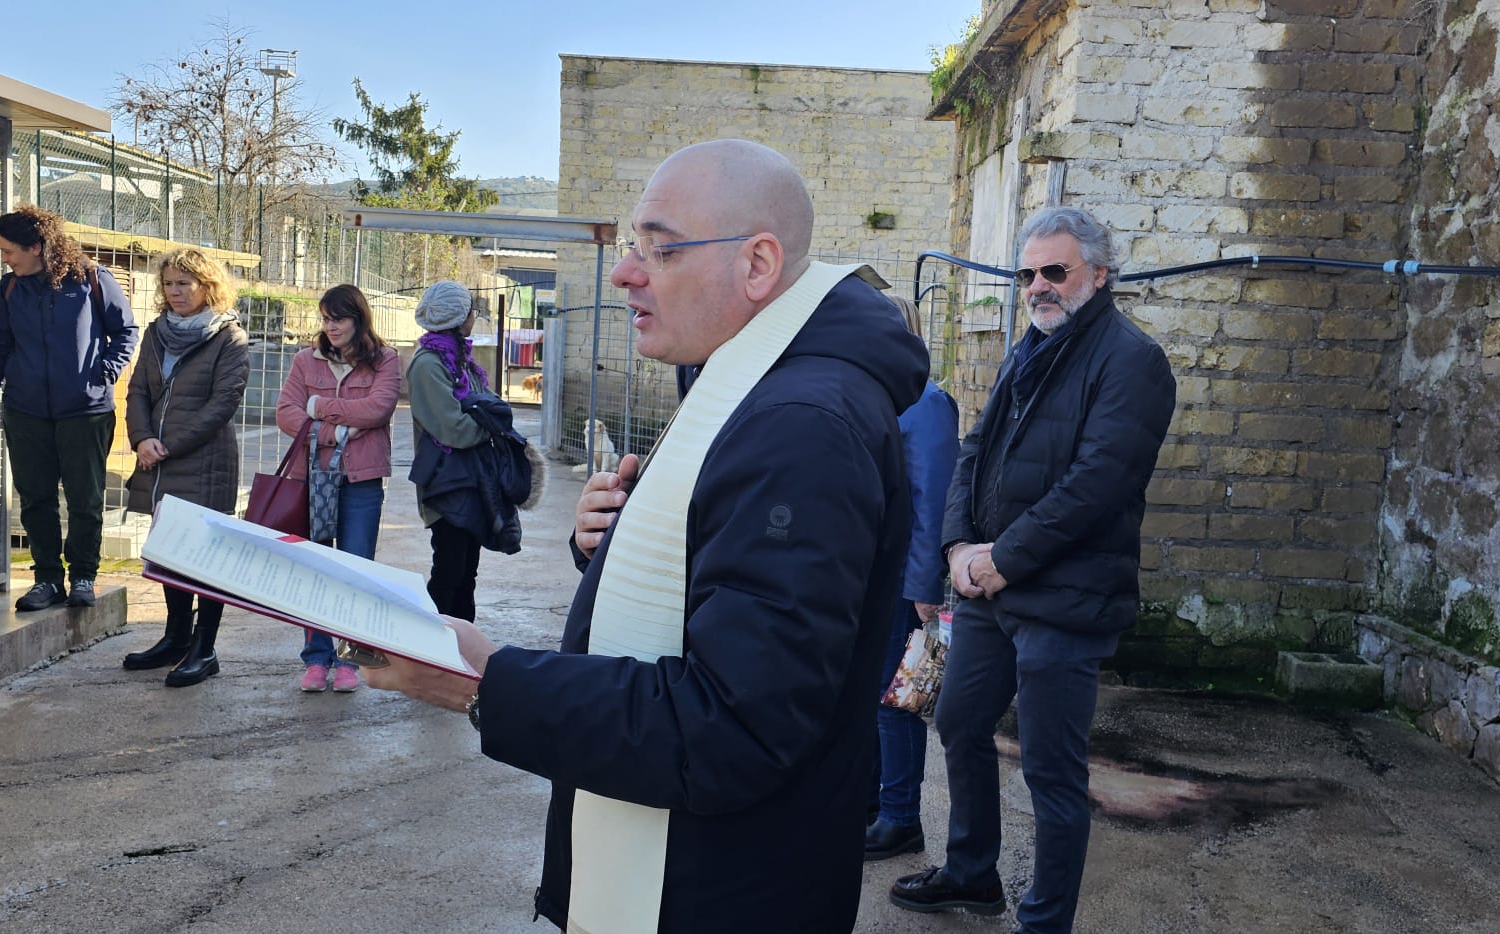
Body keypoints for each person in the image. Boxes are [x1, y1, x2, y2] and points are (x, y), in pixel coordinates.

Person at [364, 139, 928, 932]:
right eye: (633, 245)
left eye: (658, 249)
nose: (628, 272)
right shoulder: (750, 381)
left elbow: (734, 725)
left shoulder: (800, 425)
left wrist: (486, 683)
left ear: (757, 265)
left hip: (721, 889)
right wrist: (619, 548)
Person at [887, 206, 1177, 933]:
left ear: (1099, 275)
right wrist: (958, 550)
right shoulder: (1029, 348)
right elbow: (973, 455)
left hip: (1065, 601)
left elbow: (1096, 486)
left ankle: (1043, 923)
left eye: (1055, 271)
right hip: (989, 588)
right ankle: (972, 873)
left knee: (1051, 772)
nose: (1039, 286)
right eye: (1027, 274)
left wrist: (1000, 562)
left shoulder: (1131, 361)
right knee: (957, 720)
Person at [0, 205, 137, 612]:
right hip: (25, 411)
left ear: (36, 246)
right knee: (35, 497)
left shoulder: (92, 279)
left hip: (85, 410)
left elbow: (125, 332)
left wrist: (101, 375)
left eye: (9, 251)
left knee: (84, 498)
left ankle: (84, 577)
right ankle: (46, 580)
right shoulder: (9, 289)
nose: (5, 259)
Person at [120, 248, 249, 687]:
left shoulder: (229, 337)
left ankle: (205, 648)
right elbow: (137, 389)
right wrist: (140, 438)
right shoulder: (156, 332)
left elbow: (222, 404)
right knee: (170, 554)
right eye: (169, 284)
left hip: (204, 463)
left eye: (184, 284)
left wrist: (166, 445)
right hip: (158, 458)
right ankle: (175, 638)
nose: (175, 292)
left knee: (205, 561)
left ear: (207, 287)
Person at [867, 297, 960, 861]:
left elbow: (934, 501)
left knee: (895, 700)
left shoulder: (924, 403)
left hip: (905, 584)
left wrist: (925, 587)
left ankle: (901, 818)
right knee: (873, 699)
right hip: (873, 580)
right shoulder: (881, 396)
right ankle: (878, 805)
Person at [275, 284, 401, 694]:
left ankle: (350, 659)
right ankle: (316, 659)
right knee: (314, 569)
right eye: (326, 319)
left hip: (361, 482)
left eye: (339, 319)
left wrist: (317, 411)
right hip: (310, 478)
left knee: (355, 570)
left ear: (358, 319)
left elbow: (378, 409)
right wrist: (336, 430)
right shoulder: (304, 361)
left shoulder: (385, 360)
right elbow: (286, 413)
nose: (330, 327)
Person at [406, 280, 490, 620]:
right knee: (449, 573)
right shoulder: (429, 363)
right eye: (471, 310)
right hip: (446, 483)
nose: (474, 316)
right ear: (459, 317)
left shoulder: (460, 359)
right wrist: (491, 427)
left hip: (467, 480)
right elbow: (453, 428)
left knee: (465, 573)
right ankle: (428, 650)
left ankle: (459, 654)